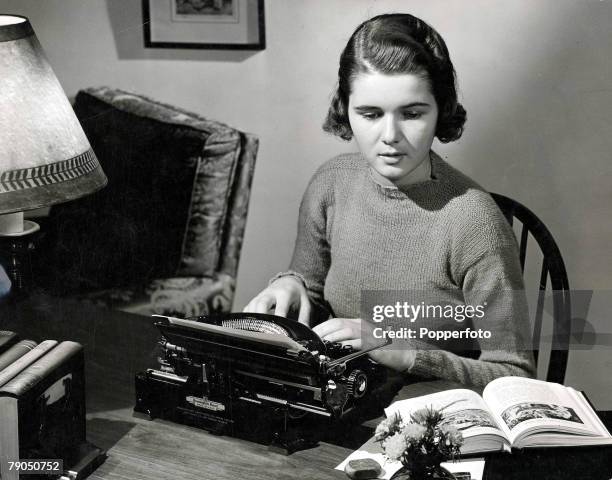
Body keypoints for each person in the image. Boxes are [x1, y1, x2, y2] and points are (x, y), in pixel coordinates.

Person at [244, 13, 535, 388]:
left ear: (440, 109)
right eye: (370, 113)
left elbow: (515, 372)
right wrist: (290, 285)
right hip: (341, 402)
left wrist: (406, 354)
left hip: (434, 419)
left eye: (412, 113)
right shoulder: (331, 183)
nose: (390, 135)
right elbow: (312, 292)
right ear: (345, 108)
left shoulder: (474, 221)